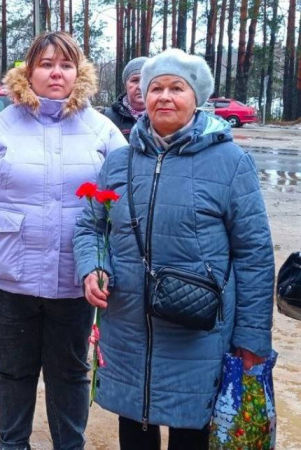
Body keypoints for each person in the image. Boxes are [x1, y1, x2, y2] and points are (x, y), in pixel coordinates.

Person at [74, 48, 275, 450]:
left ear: (196, 96)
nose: (164, 96)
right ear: (143, 98)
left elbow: (254, 254)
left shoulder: (231, 162)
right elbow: (91, 226)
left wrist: (252, 336)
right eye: (156, 88)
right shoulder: (119, 162)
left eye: (176, 88)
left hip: (199, 333)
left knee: (191, 433)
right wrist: (92, 266)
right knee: (135, 425)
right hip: (128, 326)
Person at [0, 31, 127, 449]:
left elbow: (125, 202)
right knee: (13, 370)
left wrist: (111, 262)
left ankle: (70, 444)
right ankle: (13, 443)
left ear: (78, 72)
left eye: (65, 64)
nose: (55, 73)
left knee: (70, 372)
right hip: (11, 278)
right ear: (28, 71)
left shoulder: (102, 132)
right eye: (46, 64)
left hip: (75, 281)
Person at [104, 56, 148, 137]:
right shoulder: (106, 118)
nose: (140, 86)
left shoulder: (165, 117)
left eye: (146, 80)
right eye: (135, 80)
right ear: (125, 85)